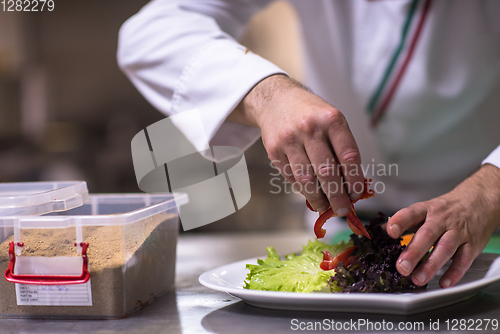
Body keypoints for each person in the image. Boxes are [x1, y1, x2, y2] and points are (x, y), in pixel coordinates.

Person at [117, 0, 500, 288]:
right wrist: (266, 93)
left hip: (483, 226)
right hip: (343, 232)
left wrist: (488, 192)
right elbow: (152, 31)